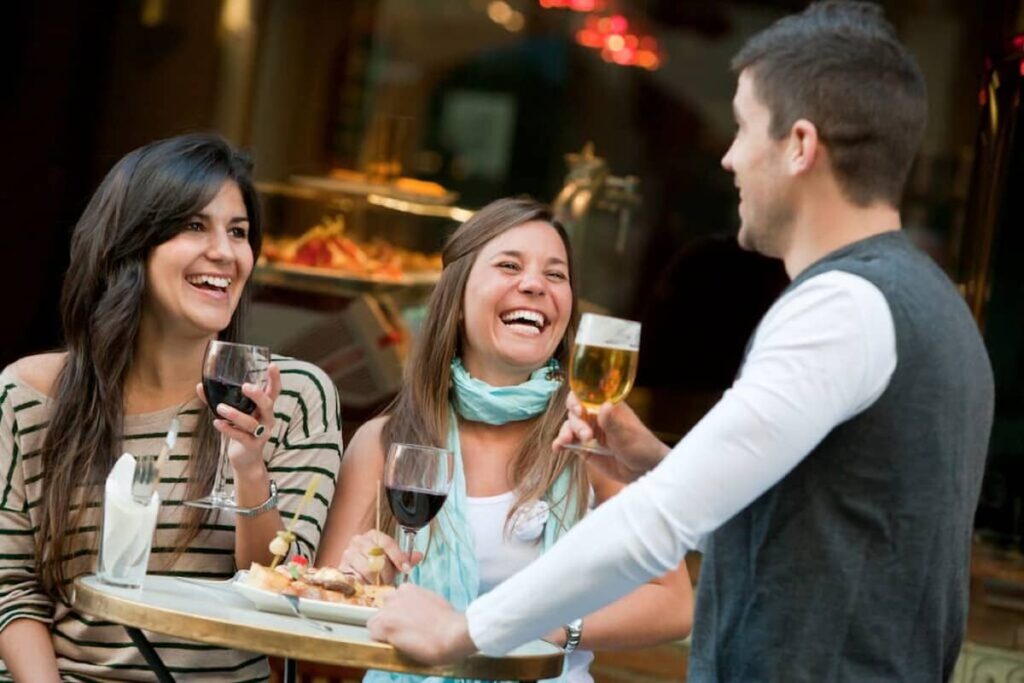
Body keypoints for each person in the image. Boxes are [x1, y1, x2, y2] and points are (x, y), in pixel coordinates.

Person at [365, 3, 995, 681]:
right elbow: (815, 514)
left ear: (799, 146)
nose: (728, 157)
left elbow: (658, 524)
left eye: (745, 127)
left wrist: (464, 627)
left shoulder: (840, 306)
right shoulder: (935, 304)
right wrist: (657, 461)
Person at [0, 133, 342, 681]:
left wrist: (248, 468)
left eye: (239, 232)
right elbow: (8, 588)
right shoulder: (32, 396)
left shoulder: (293, 394)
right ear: (130, 244)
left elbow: (282, 589)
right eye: (193, 226)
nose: (225, 253)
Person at [317, 197, 693, 682]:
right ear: (455, 303)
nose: (534, 284)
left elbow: (674, 603)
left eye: (556, 275)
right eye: (509, 266)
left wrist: (552, 626)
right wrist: (366, 582)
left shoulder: (591, 441)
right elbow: (324, 608)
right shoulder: (387, 442)